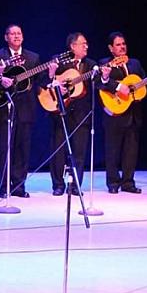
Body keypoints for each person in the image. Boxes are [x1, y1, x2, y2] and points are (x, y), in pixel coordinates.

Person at [97, 32, 147, 194]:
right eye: (118, 44)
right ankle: (113, 183)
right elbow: (99, 83)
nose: (122, 47)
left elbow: (143, 85)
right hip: (115, 113)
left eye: (124, 44)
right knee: (112, 150)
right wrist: (118, 87)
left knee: (131, 151)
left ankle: (128, 182)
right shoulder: (105, 64)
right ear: (111, 48)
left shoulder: (135, 64)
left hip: (133, 114)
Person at [0, 24, 41, 198]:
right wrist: (0, 78)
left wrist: (52, 72)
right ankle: (3, 187)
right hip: (3, 107)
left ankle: (19, 187)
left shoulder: (33, 57)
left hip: (26, 108)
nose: (16, 36)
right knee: (5, 148)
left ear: (23, 37)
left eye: (19, 33)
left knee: (22, 149)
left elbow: (41, 80)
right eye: (12, 33)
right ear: (6, 37)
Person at [47, 32, 97, 195]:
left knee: (80, 151)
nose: (86, 46)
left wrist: (103, 76)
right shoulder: (59, 60)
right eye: (83, 44)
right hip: (60, 111)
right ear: (72, 46)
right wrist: (53, 80)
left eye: (87, 44)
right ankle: (58, 185)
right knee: (58, 150)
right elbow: (45, 82)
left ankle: (76, 185)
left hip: (82, 113)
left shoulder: (91, 65)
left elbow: (98, 85)